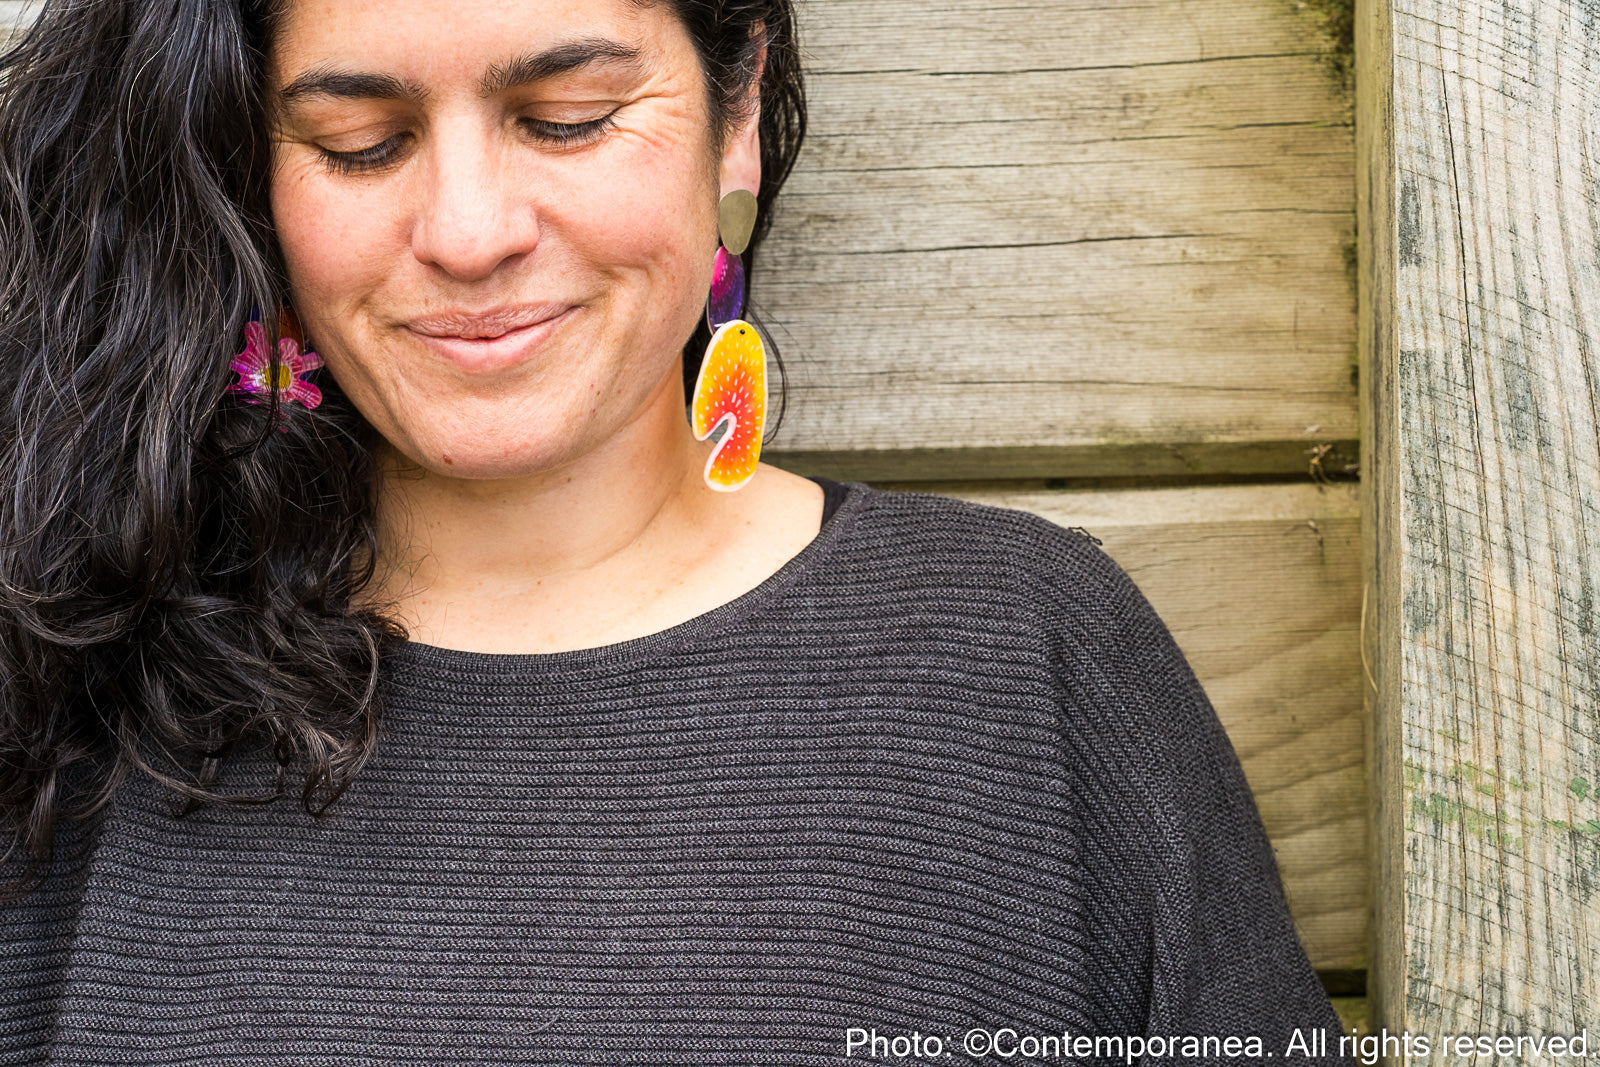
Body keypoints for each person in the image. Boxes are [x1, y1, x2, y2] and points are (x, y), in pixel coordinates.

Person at [0, 0, 1357, 1062]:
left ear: (739, 109)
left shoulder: (1032, 663)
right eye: (363, 141)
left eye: (569, 117)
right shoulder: (72, 694)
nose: (469, 232)